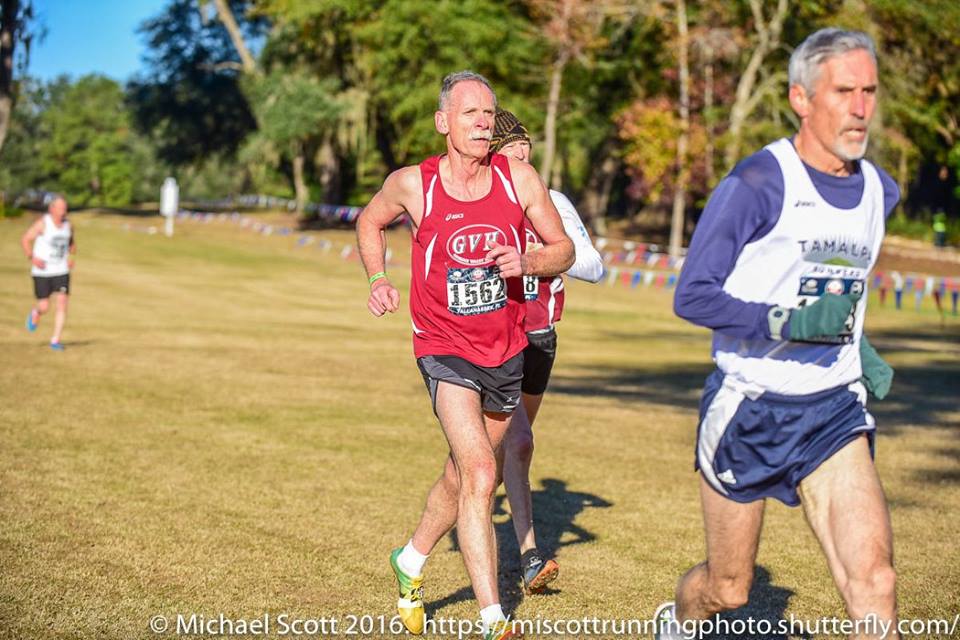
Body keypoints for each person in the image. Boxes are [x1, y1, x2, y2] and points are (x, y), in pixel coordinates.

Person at [657, 28, 899, 640]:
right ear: (800, 97)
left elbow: (840, 285)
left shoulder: (879, 191)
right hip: (751, 408)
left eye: (869, 90)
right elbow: (692, 295)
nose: (861, 107)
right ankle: (678, 622)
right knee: (728, 589)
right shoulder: (759, 184)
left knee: (875, 581)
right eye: (844, 90)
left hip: (834, 409)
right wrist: (784, 323)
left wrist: (856, 344)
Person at [356, 71, 574, 640]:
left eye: (488, 114)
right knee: (481, 469)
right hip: (442, 346)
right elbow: (369, 221)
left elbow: (564, 250)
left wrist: (527, 262)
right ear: (443, 122)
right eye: (470, 113)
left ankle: (410, 558)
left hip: (505, 349)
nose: (482, 122)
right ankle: (492, 619)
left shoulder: (519, 178)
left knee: (464, 475)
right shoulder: (413, 184)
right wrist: (378, 277)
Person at [488, 109, 604, 594]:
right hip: (493, 338)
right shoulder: (483, 201)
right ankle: (529, 555)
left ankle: (426, 542)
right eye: (510, 149)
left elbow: (593, 265)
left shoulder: (551, 201)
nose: (520, 155)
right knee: (515, 444)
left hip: (540, 340)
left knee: (502, 449)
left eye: (525, 148)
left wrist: (542, 255)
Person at [21, 195, 75, 351]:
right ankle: (36, 312)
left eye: (65, 208)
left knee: (62, 302)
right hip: (42, 270)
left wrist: (71, 257)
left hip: (61, 269)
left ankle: (55, 340)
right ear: (52, 208)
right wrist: (32, 257)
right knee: (44, 306)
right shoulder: (43, 223)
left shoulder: (68, 226)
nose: (63, 211)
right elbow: (25, 239)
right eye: (60, 208)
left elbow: (72, 244)